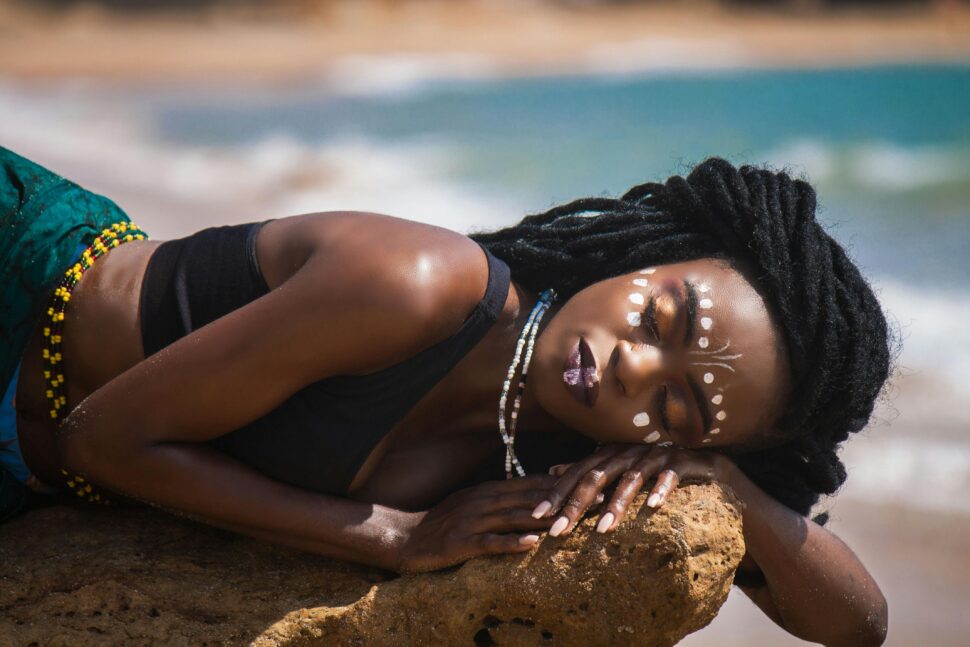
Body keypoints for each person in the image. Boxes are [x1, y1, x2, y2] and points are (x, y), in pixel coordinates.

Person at [2, 146, 890, 646]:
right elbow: (102, 439)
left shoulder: (554, 453)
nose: (636, 370)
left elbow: (859, 626)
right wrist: (397, 537)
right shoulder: (421, 284)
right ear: (645, 255)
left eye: (683, 407)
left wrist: (725, 480)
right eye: (660, 316)